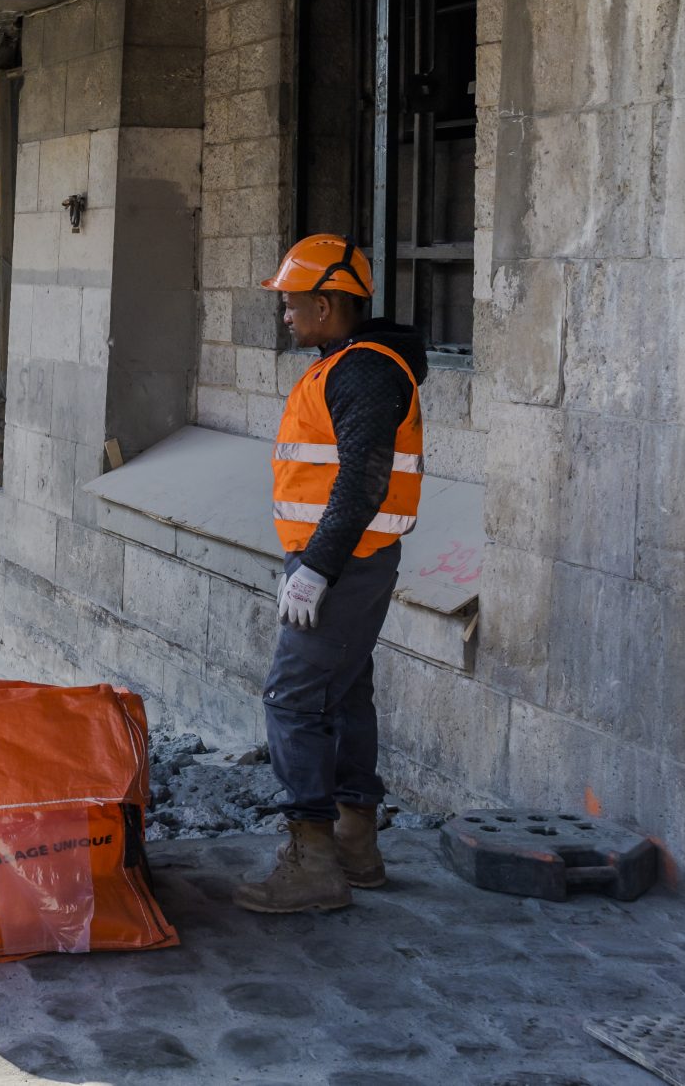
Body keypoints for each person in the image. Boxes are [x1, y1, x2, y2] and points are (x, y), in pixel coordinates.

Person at [233, 234, 427, 915]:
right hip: (347, 559)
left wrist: (315, 568)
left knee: (292, 699)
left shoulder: (364, 371)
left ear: (326, 303)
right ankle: (354, 847)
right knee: (342, 695)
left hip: (346, 562)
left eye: (292, 302)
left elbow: (362, 480)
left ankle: (313, 861)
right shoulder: (348, 364)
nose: (285, 314)